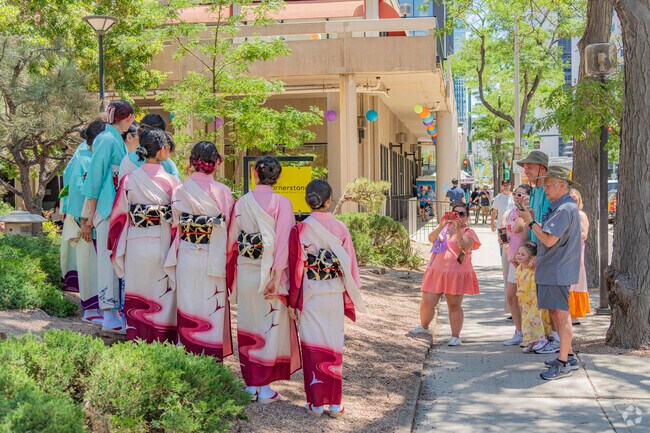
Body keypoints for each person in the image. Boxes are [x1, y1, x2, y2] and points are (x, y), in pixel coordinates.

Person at [288, 179, 366, 418]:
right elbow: (350, 266)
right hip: (333, 292)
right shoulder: (340, 228)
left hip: (311, 292)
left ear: (308, 200)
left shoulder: (300, 229)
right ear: (329, 201)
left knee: (312, 345)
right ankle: (335, 404)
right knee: (333, 346)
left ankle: (315, 403)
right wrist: (350, 294)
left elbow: (296, 269)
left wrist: (293, 301)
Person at [226, 156, 301, 403]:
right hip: (271, 273)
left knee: (248, 324)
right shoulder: (282, 203)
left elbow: (232, 241)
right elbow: (282, 242)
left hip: (247, 268)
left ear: (254, 174)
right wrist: (277, 277)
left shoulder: (242, 203)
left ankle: (251, 384)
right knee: (269, 326)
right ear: (277, 178)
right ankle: (265, 386)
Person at [108, 127, 180, 343]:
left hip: (136, 242)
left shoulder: (129, 180)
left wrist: (114, 244)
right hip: (162, 240)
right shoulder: (172, 182)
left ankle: (137, 338)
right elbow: (177, 217)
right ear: (162, 150)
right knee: (162, 291)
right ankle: (162, 339)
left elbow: (119, 217)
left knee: (137, 290)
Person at [164, 141, 235, 360]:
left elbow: (174, 223)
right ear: (216, 163)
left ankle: (188, 356)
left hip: (186, 251)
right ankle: (211, 361)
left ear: (192, 162)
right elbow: (231, 229)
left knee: (188, 304)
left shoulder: (180, 190)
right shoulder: (223, 192)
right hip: (212, 256)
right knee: (211, 307)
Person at [519, 166, 582, 380]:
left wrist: (530, 221)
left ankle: (563, 362)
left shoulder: (565, 209)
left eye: (549, 184)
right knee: (557, 314)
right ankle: (568, 356)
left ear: (562, 185)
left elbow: (548, 239)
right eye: (544, 185)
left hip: (558, 270)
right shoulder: (562, 207)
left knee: (562, 317)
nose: (545, 189)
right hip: (555, 269)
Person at [82, 100, 137, 333]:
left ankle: (115, 312)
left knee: (116, 259)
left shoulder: (113, 138)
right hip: (106, 207)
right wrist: (91, 212)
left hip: (115, 206)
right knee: (107, 259)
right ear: (129, 117)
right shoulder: (107, 139)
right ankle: (109, 313)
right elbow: (95, 176)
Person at [410, 202, 481, 346]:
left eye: (462, 214)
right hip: (436, 271)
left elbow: (465, 246)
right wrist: (443, 224)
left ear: (467, 217)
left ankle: (455, 336)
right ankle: (424, 326)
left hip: (456, 273)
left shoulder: (469, 232)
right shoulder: (444, 228)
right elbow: (431, 239)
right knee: (427, 302)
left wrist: (457, 229)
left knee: (454, 305)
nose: (458, 216)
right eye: (456, 213)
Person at [61, 120, 106, 324]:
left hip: (95, 219)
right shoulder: (84, 159)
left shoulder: (93, 157)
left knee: (98, 265)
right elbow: (79, 191)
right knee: (88, 264)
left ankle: (102, 306)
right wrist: (85, 222)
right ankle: (90, 308)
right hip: (86, 220)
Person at [501, 184, 530, 346]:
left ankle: (528, 331)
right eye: (515, 194)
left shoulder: (525, 212)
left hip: (524, 258)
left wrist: (523, 208)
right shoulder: (511, 211)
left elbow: (519, 227)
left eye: (521, 195)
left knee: (525, 296)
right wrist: (503, 241)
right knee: (511, 294)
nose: (516, 197)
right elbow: (506, 230)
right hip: (512, 257)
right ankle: (518, 331)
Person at [118, 114, 181, 181]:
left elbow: (122, 188)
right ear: (163, 135)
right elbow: (177, 188)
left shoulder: (127, 161)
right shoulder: (168, 164)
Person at [516, 150, 551, 243]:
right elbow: (528, 225)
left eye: (529, 168)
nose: (526, 172)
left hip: (543, 252)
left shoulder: (549, 192)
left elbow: (547, 228)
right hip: (533, 250)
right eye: (525, 168)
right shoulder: (533, 191)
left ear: (542, 168)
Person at [568, 189, 590, 325]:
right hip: (565, 251)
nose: (574, 201)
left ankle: (575, 314)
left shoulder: (581, 215)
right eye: (571, 199)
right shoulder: (566, 214)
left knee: (576, 281)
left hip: (576, 251)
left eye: (576, 199)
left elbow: (584, 234)